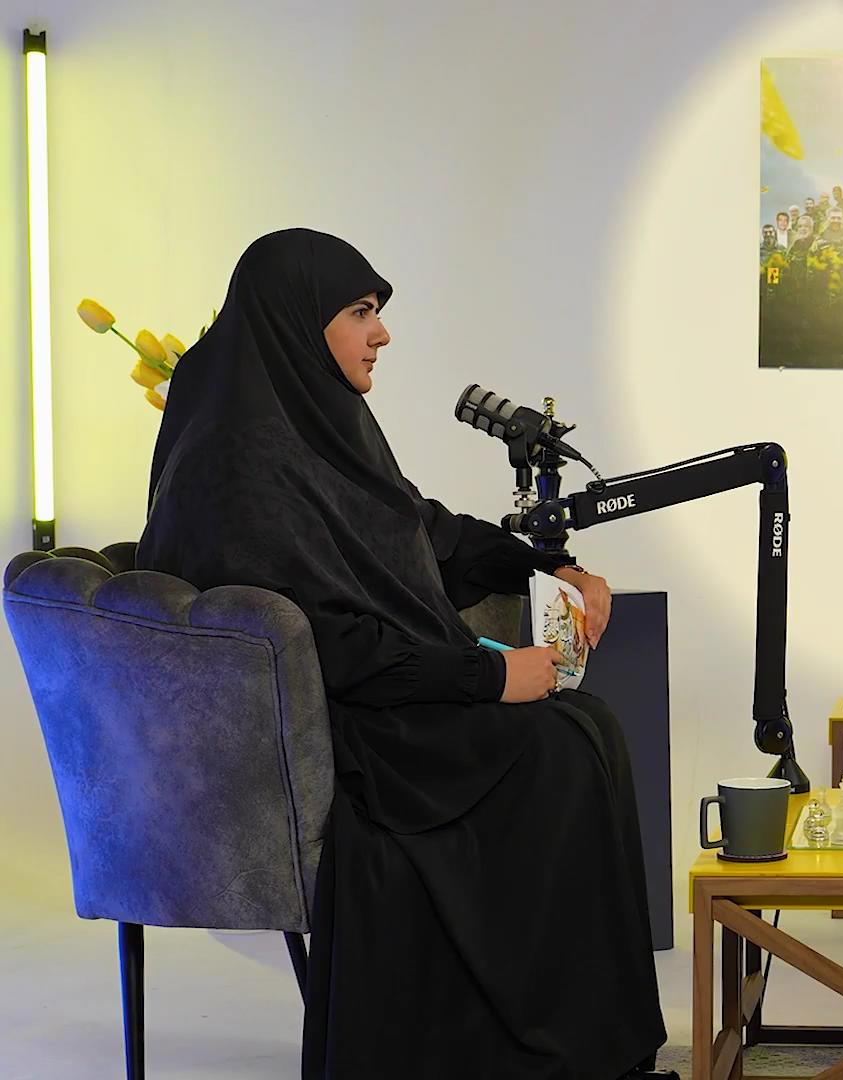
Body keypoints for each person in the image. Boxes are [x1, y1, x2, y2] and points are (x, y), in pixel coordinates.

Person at [139, 229, 668, 1079]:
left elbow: (419, 531)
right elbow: (318, 643)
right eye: (360, 312)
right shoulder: (235, 463)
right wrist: (489, 675)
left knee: (585, 729)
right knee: (564, 746)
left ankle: (585, 1046)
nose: (381, 333)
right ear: (296, 319)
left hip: (376, 696)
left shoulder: (312, 421)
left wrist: (549, 570)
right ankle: (537, 1049)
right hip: (331, 732)